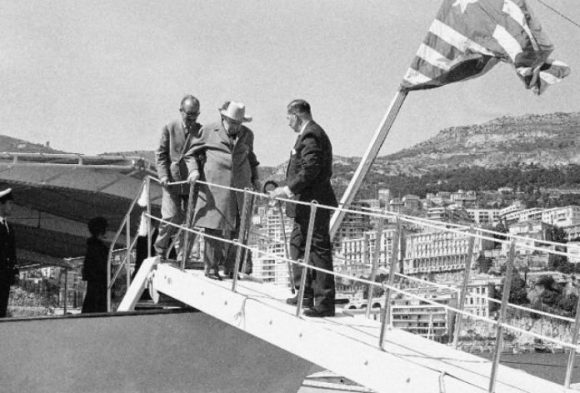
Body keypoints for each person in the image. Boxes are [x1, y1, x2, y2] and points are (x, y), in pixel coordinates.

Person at [269, 99, 337, 317]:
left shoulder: (311, 135)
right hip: (303, 205)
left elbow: (310, 169)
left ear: (296, 116)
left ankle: (324, 302)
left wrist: (287, 189)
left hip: (313, 203)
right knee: (298, 245)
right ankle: (304, 291)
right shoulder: (308, 134)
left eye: (288, 118)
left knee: (318, 249)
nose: (288, 123)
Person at [187, 101, 260, 280]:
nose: (236, 126)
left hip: (241, 189)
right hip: (216, 188)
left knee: (239, 230)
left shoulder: (248, 135)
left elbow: (251, 158)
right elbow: (190, 154)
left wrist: (256, 178)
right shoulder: (209, 130)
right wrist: (194, 170)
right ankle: (211, 268)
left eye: (239, 123)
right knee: (213, 228)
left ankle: (231, 269)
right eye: (233, 122)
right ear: (223, 118)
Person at [154, 95, 203, 261]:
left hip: (192, 184)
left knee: (191, 221)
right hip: (172, 182)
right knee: (170, 217)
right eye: (189, 114)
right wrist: (163, 175)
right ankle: (160, 250)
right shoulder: (169, 127)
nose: (192, 118)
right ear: (181, 111)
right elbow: (160, 154)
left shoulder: (200, 131)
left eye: (195, 115)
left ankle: (184, 256)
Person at [81, 216, 109, 313]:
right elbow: (102, 266)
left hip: (93, 281)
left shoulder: (91, 246)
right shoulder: (100, 248)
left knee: (91, 302)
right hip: (100, 282)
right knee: (98, 305)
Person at [0, 188, 18, 318]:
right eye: (10, 203)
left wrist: (14, 270)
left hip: (4, 277)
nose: (12, 207)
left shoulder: (8, 227)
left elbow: (11, 252)